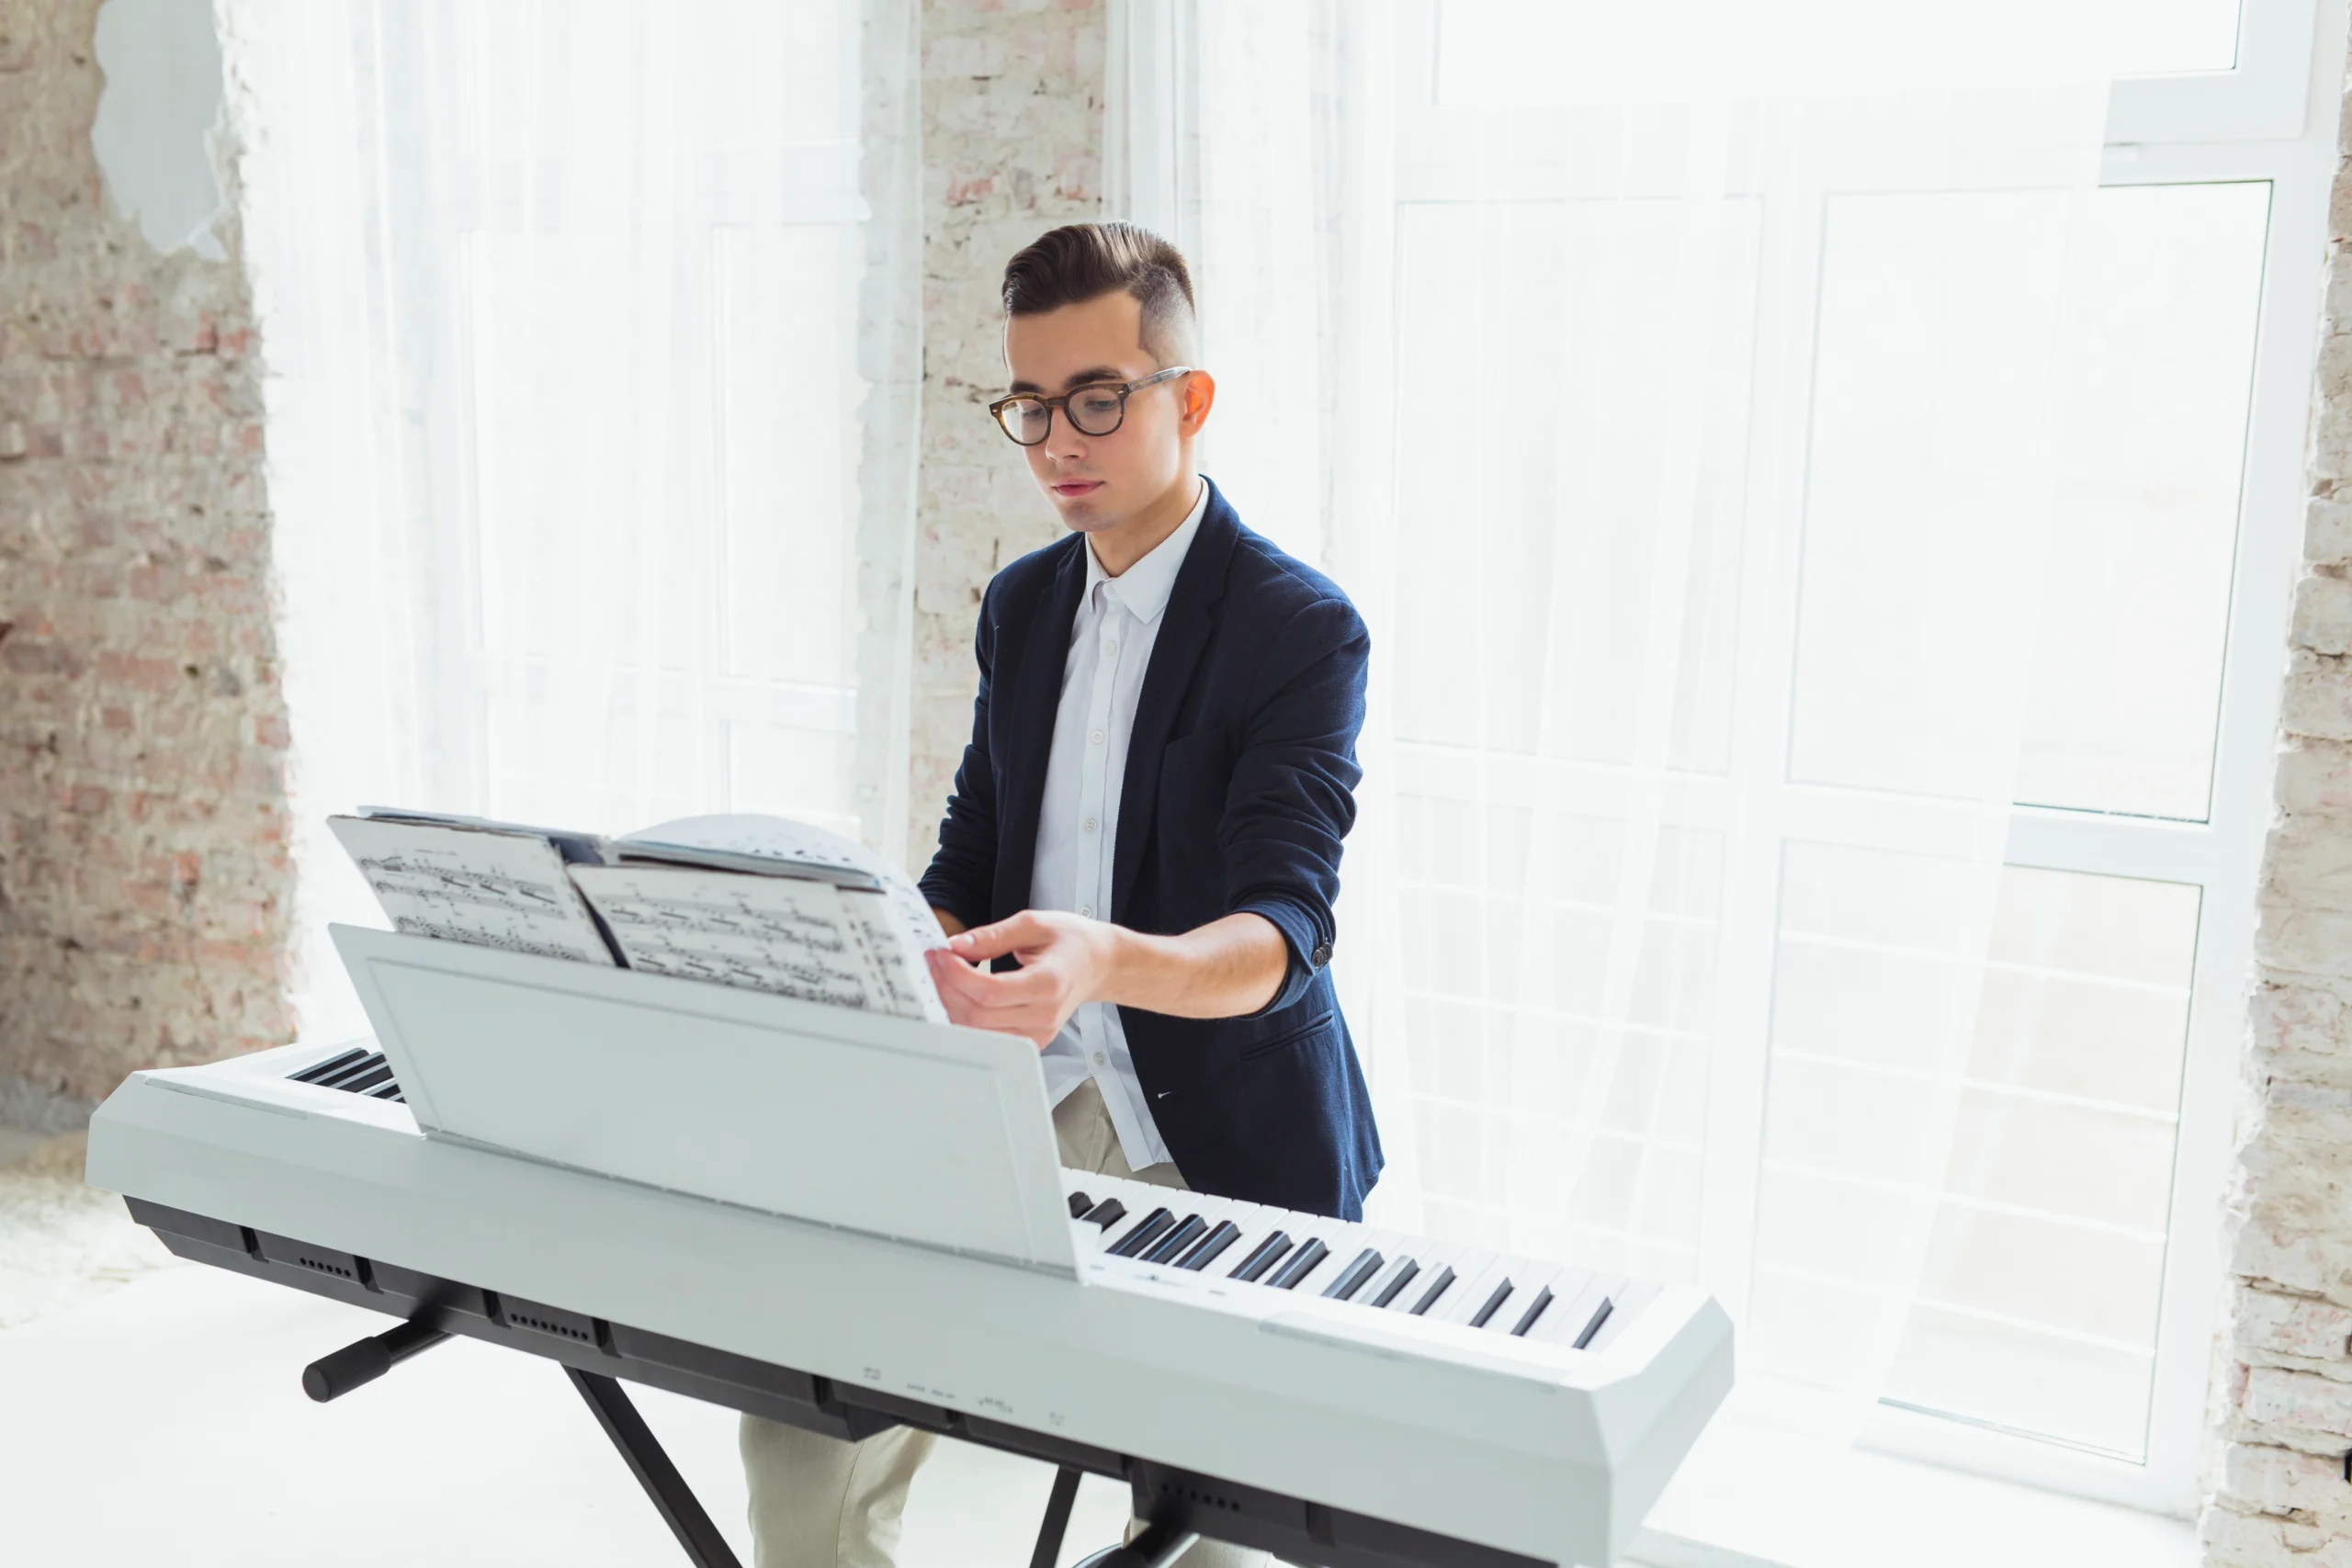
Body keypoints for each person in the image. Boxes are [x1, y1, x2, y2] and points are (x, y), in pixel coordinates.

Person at [740, 220, 1381, 1568]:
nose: (1056, 444)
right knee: (802, 1412)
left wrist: (1096, 963)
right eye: (1028, 407)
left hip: (1218, 1132)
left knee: (1213, 1530)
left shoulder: (1298, 628)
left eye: (1096, 398)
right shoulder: (1023, 605)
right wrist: (894, 951)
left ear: (1188, 400)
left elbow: (1284, 933)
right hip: (1017, 1101)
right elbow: (973, 855)